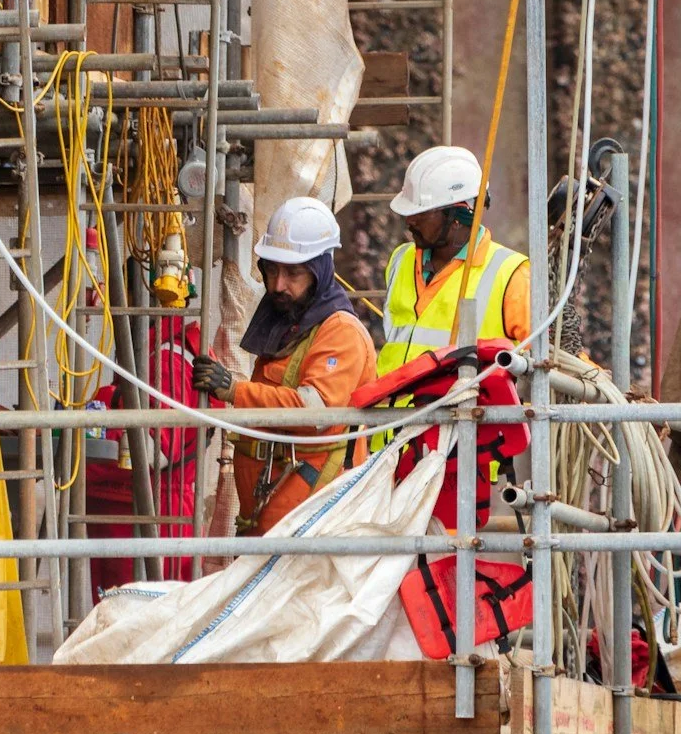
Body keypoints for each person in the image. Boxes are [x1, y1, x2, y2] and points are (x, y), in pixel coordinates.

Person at [190, 196, 379, 531]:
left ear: (319, 271)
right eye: (272, 270)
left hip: (313, 517)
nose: (278, 285)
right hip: (273, 512)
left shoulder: (339, 332)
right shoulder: (287, 323)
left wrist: (234, 391)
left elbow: (314, 412)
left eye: (294, 273)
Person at [377, 144, 531, 373]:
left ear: (459, 216)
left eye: (421, 213)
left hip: (462, 408)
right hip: (392, 408)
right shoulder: (401, 260)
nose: (410, 221)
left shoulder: (510, 275)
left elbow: (551, 358)